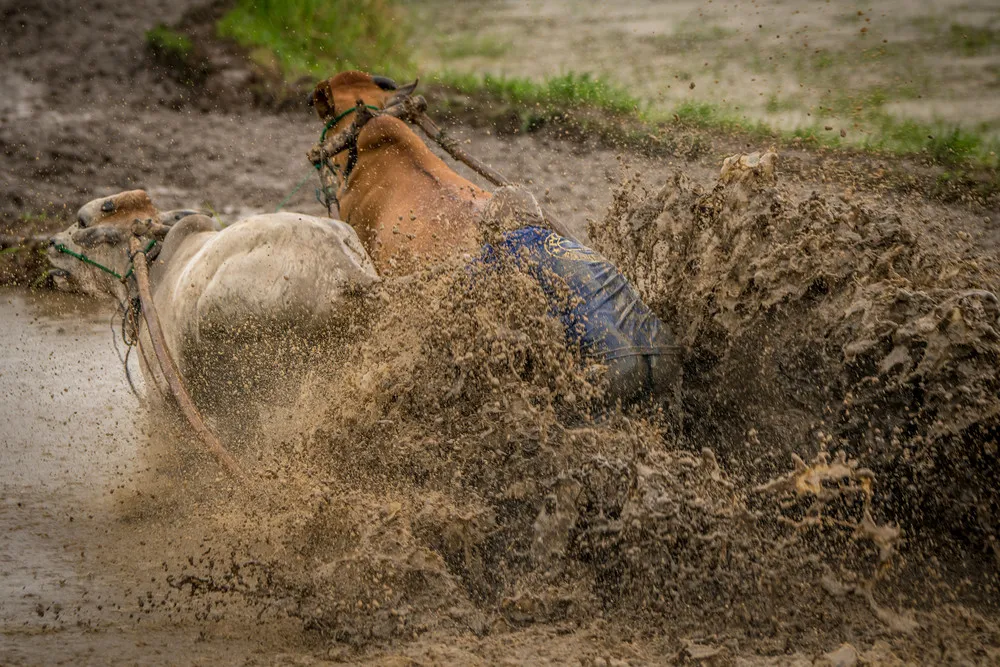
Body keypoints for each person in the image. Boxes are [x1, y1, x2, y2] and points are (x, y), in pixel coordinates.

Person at [476, 187, 679, 407]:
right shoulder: (576, 248)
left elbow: (463, 289)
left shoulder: (507, 243)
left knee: (552, 421)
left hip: (616, 364)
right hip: (664, 352)